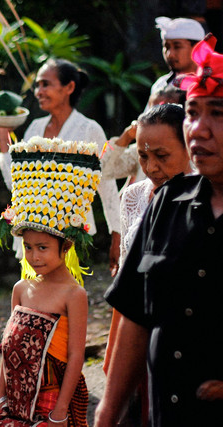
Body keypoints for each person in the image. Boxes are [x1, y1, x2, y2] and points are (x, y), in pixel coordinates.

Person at [95, 34, 223, 426]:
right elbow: (135, 316)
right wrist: (106, 414)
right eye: (193, 112)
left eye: (217, 113)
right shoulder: (166, 203)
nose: (199, 129)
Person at [0, 136, 97, 426]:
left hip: (52, 398)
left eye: (43, 248)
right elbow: (8, 347)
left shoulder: (73, 295)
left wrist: (60, 411)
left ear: (67, 246)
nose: (34, 257)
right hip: (13, 399)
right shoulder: (21, 289)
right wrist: (1, 397)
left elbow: (75, 356)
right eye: (28, 247)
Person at [101, 103, 192, 426]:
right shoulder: (135, 197)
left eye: (162, 156)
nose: (151, 167)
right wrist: (115, 351)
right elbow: (128, 284)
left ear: (189, 147)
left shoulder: (207, 201)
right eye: (143, 156)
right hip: (137, 332)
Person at [0, 58, 121, 274]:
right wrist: (3, 130)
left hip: (69, 233)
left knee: (65, 299)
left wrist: (117, 237)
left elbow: (107, 186)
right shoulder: (35, 127)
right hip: (32, 231)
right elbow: (15, 183)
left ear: (69, 87)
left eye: (46, 84)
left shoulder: (89, 129)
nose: (38, 91)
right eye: (37, 85)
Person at [101, 85, 187, 187]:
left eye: (161, 155)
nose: (150, 168)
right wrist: (126, 136)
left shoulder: (197, 164)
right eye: (150, 112)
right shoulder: (142, 150)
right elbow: (104, 171)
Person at [148, 16, 204, 107]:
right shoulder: (160, 85)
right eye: (166, 47)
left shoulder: (215, 84)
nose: (170, 54)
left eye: (177, 46)